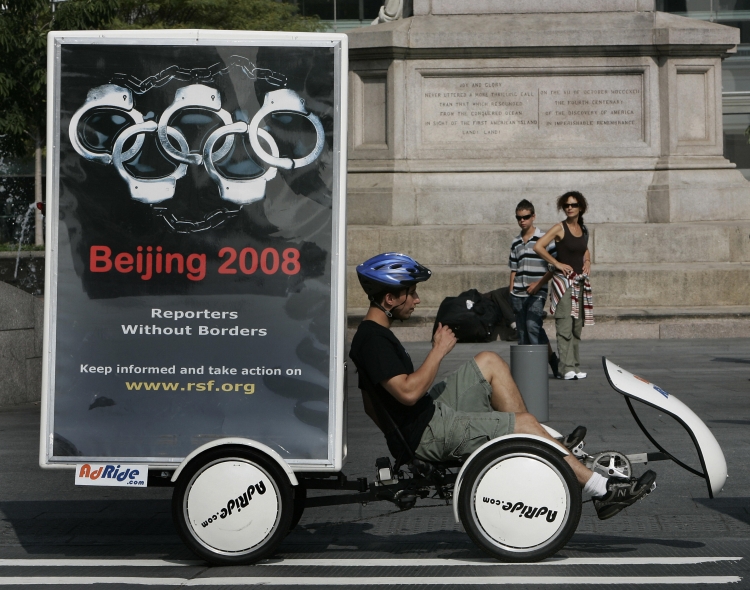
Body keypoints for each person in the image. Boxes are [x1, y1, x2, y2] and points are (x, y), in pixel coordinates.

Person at [349, 252, 656, 521]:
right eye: (411, 293)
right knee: (523, 422)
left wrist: (397, 437)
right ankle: (601, 490)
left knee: (489, 361)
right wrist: (438, 351)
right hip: (428, 431)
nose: (417, 300)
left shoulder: (373, 334)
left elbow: (369, 403)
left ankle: (542, 440)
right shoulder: (374, 341)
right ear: (390, 298)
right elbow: (408, 391)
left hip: (427, 418)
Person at [534, 191, 593, 381]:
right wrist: (557, 263)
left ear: (580, 208)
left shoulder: (583, 229)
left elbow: (584, 249)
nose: (570, 208)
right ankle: (564, 367)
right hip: (563, 284)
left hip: (580, 283)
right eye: (566, 205)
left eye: (573, 205)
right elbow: (539, 246)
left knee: (577, 326)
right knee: (565, 325)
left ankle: (574, 366)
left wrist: (588, 261)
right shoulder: (560, 228)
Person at [508, 199, 560, 378]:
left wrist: (539, 284)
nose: (522, 220)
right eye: (519, 218)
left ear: (533, 217)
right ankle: (528, 370)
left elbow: (554, 265)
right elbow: (514, 268)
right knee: (523, 331)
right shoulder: (515, 242)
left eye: (526, 217)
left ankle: (542, 366)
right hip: (518, 292)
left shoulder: (544, 239)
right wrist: (511, 289)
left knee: (532, 326)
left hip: (538, 292)